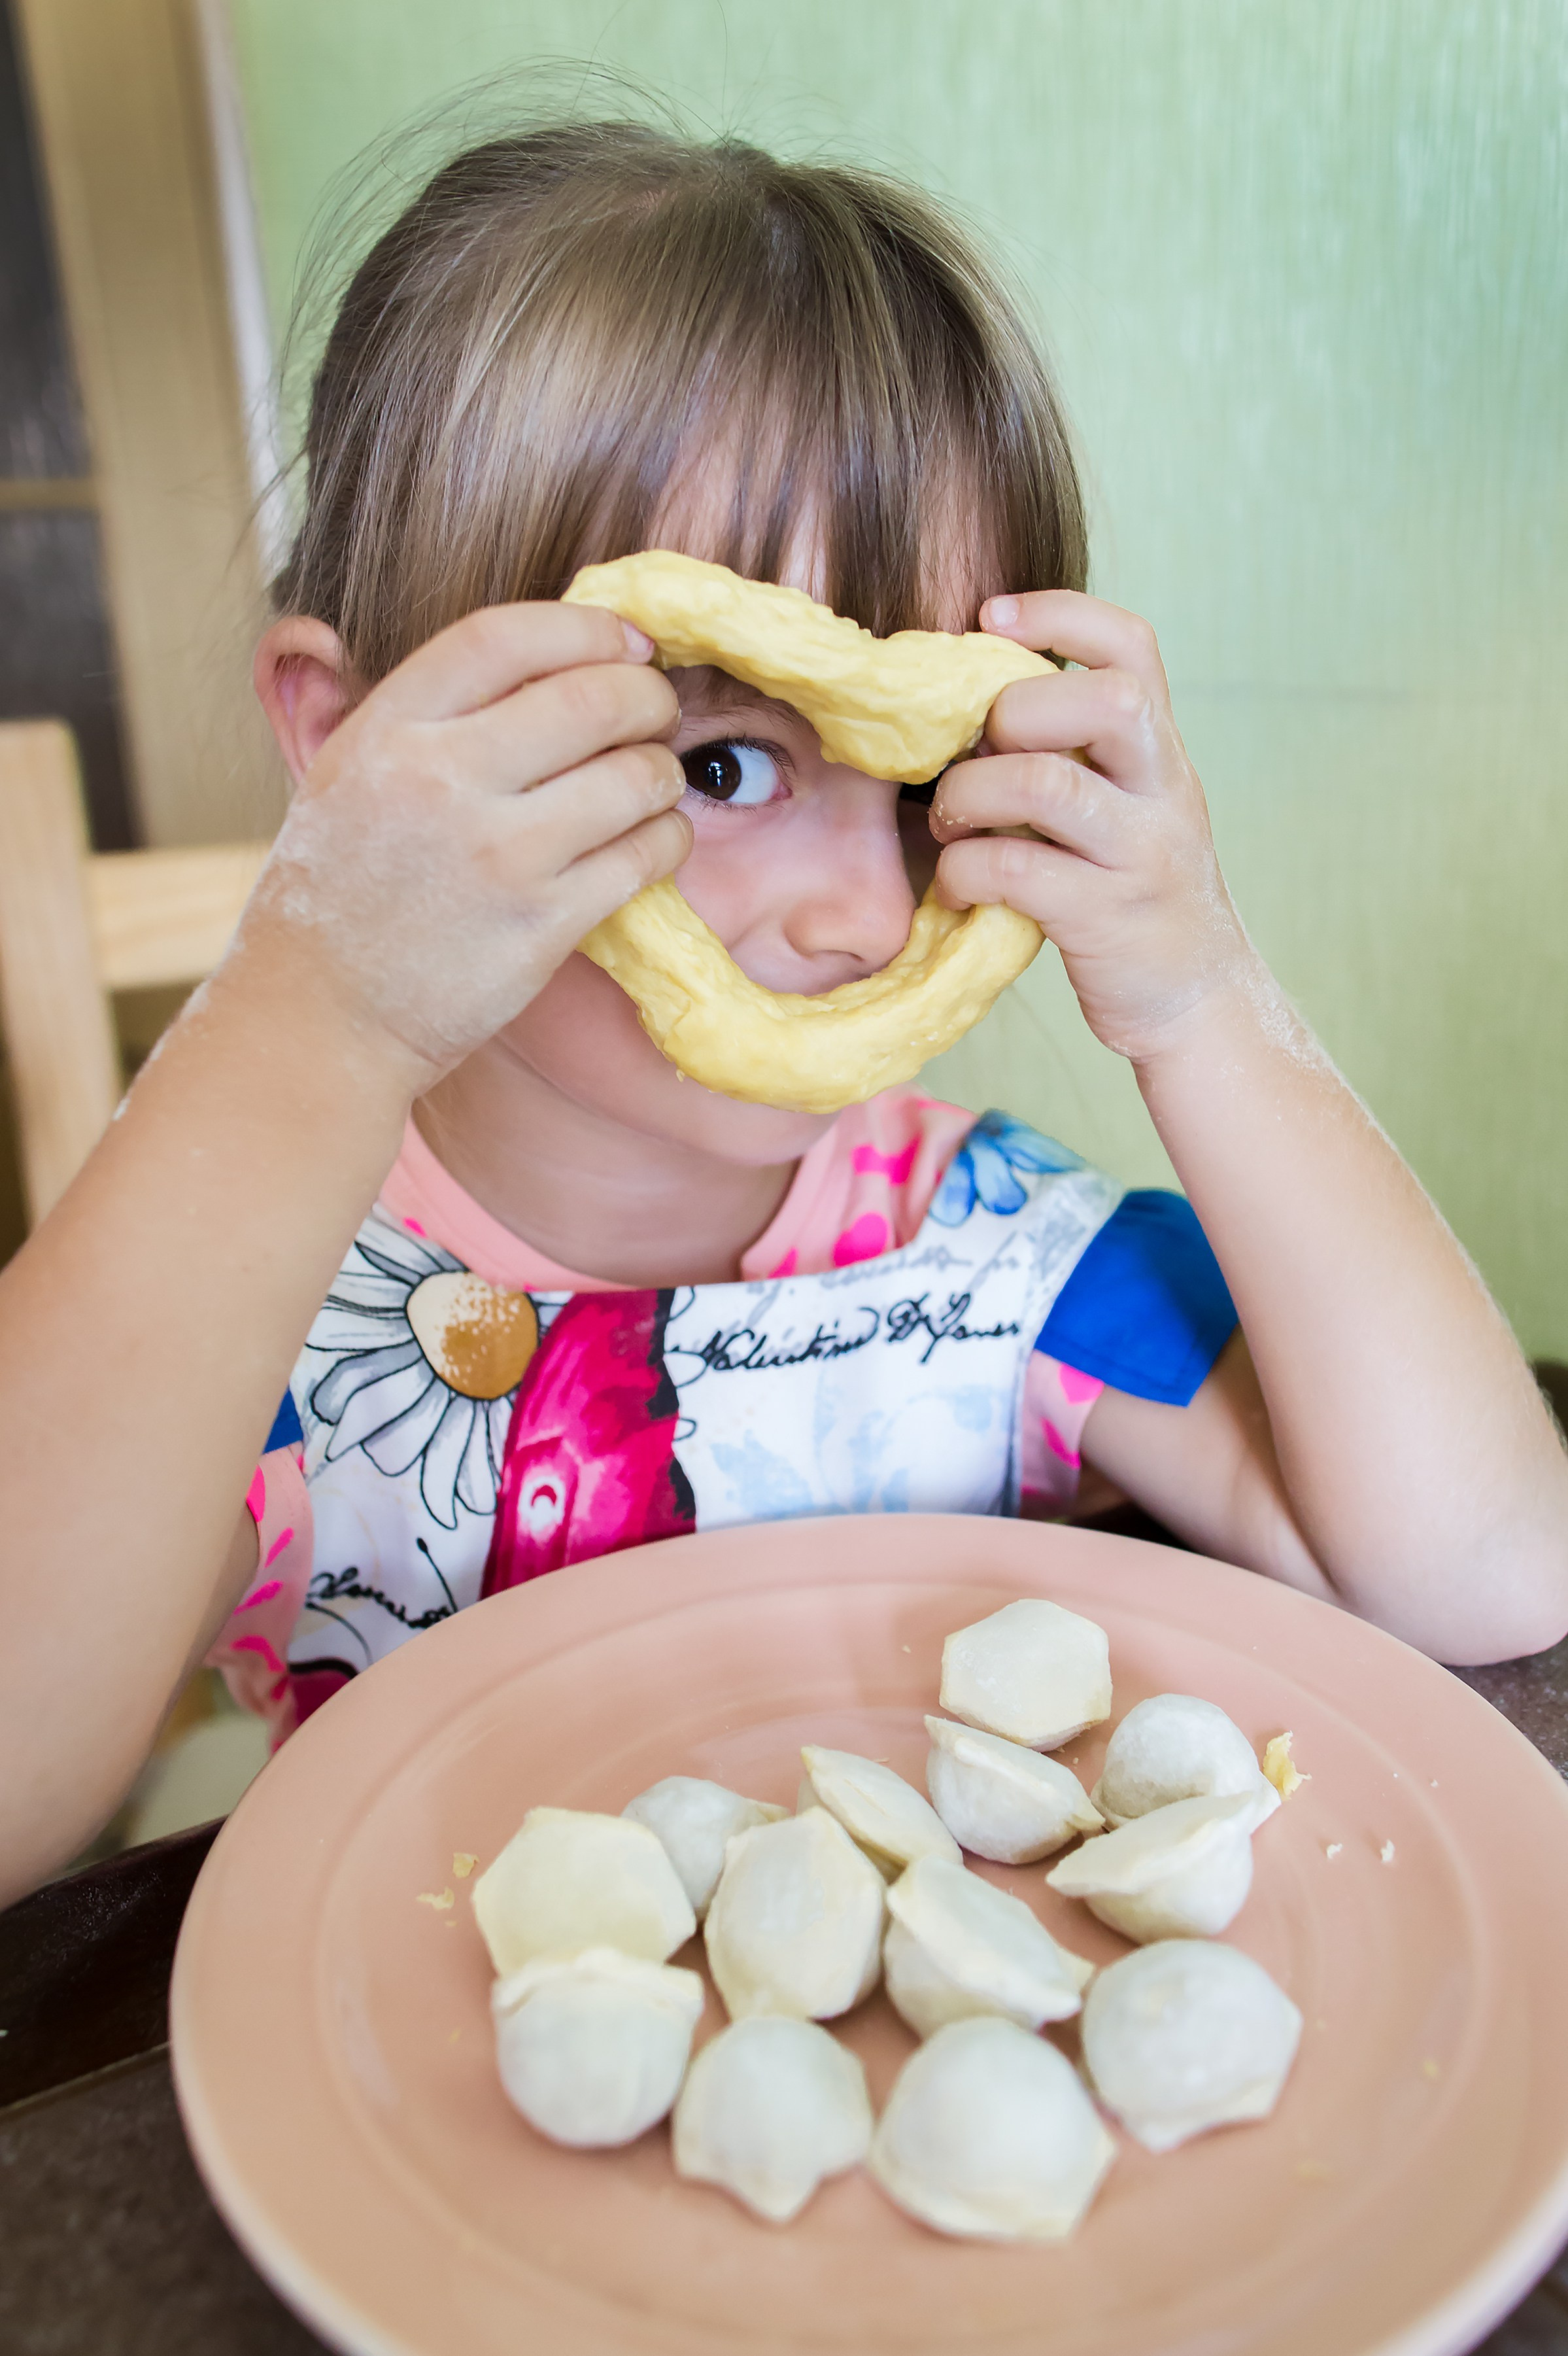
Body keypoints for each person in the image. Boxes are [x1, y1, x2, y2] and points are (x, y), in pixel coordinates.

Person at [1, 120, 1564, 1907]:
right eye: (726, 760)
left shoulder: (986, 1253)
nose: (872, 911)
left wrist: (1206, 997)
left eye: (923, 788)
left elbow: (1499, 1566)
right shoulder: (255, 1321)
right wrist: (316, 997)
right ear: (351, 750)